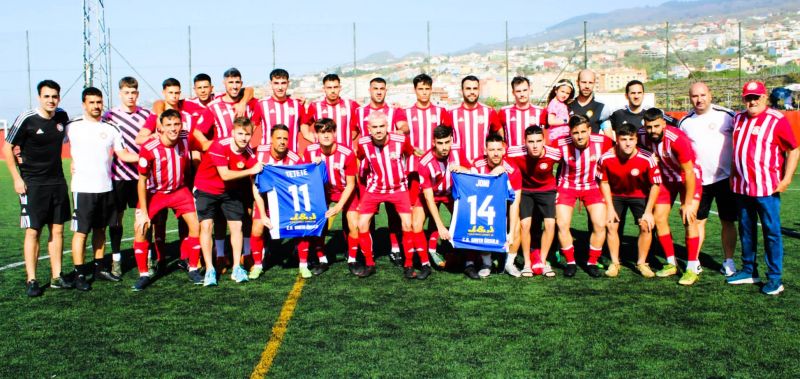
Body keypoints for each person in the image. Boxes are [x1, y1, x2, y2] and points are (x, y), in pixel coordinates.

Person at [727, 81, 799, 295]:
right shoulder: (738, 118)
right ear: (743, 99)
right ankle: (749, 270)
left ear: (765, 97)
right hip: (741, 187)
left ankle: (775, 279)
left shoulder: (776, 119)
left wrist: (786, 179)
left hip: (767, 188)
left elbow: (793, 150)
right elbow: (737, 150)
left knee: (771, 232)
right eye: (749, 97)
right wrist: (732, 175)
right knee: (746, 230)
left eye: (756, 97)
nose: (752, 101)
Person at [66, 87, 139, 291]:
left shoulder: (111, 128)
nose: (96, 106)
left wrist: (145, 158)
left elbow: (123, 154)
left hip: (106, 187)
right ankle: (80, 273)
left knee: (101, 230)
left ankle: (99, 268)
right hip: (83, 188)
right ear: (84, 104)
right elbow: (49, 143)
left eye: (99, 102)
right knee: (81, 232)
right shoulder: (72, 126)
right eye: (92, 102)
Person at [3, 80, 72, 297]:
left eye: (54, 96)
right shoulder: (27, 119)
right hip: (32, 184)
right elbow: (7, 148)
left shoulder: (62, 116)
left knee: (58, 229)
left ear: (59, 97)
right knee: (34, 231)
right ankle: (31, 279)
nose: (51, 100)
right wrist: (16, 178)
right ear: (39, 97)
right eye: (47, 96)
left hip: (57, 182)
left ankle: (56, 276)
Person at [131, 109, 204, 291]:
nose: (173, 129)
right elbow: (141, 181)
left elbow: (204, 145)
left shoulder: (186, 138)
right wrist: (144, 212)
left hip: (179, 191)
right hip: (154, 193)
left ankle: (193, 268)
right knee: (141, 228)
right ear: (160, 128)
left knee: (196, 226)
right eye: (169, 125)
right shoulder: (149, 148)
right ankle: (143, 274)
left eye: (176, 124)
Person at [192, 117, 263, 283]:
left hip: (229, 191)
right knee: (207, 225)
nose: (243, 138)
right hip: (206, 189)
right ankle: (210, 269)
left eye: (247, 134)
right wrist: (251, 170)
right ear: (233, 133)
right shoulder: (219, 145)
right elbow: (225, 174)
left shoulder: (249, 152)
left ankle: (237, 267)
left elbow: (257, 174)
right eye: (240, 133)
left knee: (237, 225)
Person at [678, 82, 738, 276]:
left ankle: (729, 261)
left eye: (703, 95)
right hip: (698, 182)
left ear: (710, 95)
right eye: (695, 96)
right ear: (690, 98)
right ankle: (693, 261)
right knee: (697, 222)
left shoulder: (727, 116)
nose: (699, 99)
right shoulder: (685, 122)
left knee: (727, 221)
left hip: (725, 179)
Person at [638, 108, 703, 286]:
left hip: (687, 177)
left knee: (689, 218)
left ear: (664, 124)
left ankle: (691, 268)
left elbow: (688, 171)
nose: (653, 131)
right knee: (659, 219)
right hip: (666, 179)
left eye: (657, 126)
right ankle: (671, 263)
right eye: (649, 127)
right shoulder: (642, 135)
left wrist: (688, 203)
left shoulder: (677, 139)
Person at [354, 111, 415, 278]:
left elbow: (410, 154)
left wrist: (407, 176)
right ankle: (369, 263)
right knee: (362, 224)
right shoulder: (363, 143)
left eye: (382, 126)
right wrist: (363, 180)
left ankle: (409, 264)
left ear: (387, 126)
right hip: (374, 189)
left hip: (398, 188)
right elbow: (359, 159)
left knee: (408, 225)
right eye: (375, 127)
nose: (379, 130)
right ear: (368, 128)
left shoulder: (400, 140)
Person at [355, 77, 409, 262]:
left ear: (386, 90)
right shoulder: (359, 111)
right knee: (366, 215)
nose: (379, 92)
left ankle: (395, 247)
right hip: (369, 173)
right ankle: (367, 252)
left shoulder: (395, 110)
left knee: (393, 213)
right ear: (369, 90)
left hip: (391, 168)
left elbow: (404, 127)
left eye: (382, 88)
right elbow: (353, 135)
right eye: (375, 88)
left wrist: (398, 133)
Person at [102, 76, 151, 278]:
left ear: (137, 94)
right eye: (126, 93)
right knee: (116, 220)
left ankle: (147, 256)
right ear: (120, 93)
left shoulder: (147, 115)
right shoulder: (109, 116)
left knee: (144, 218)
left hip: (142, 176)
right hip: (119, 176)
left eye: (133, 93)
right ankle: (116, 260)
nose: (130, 96)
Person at [597, 122, 661, 278]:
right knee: (611, 225)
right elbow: (603, 182)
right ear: (617, 139)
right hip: (616, 195)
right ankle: (614, 262)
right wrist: (610, 207)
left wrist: (648, 212)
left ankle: (641, 263)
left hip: (639, 195)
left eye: (631, 139)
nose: (627, 143)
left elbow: (655, 184)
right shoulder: (606, 158)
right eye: (623, 139)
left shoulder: (647, 158)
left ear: (636, 140)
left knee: (646, 226)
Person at [552, 115, 613, 278]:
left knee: (600, 224)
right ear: (569, 133)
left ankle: (592, 262)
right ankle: (571, 262)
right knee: (562, 224)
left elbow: (618, 152)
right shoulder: (560, 143)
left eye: (583, 132)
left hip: (592, 186)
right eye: (575, 132)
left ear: (590, 130)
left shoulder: (603, 142)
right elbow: (544, 158)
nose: (579, 136)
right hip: (567, 186)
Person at [405, 74, 453, 266]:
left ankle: (433, 248)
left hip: (442, 167)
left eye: (427, 89)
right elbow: (399, 138)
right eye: (420, 89)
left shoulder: (441, 112)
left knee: (440, 207)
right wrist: (411, 149)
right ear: (415, 90)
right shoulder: (406, 113)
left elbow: (447, 135)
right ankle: (412, 253)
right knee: (414, 219)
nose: (424, 92)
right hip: (417, 171)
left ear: (431, 89)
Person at [302, 118, 359, 276]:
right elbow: (304, 176)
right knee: (319, 223)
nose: (326, 135)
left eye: (329, 131)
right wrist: (314, 167)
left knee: (354, 224)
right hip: (321, 192)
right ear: (317, 135)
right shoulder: (310, 151)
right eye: (322, 132)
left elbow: (351, 184)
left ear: (334, 133)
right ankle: (322, 259)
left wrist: (339, 206)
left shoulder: (346, 153)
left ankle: (352, 259)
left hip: (345, 190)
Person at [248, 124, 301, 279]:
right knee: (257, 228)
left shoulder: (295, 159)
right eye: (278, 138)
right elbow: (254, 185)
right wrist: (263, 214)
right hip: (263, 199)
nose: (282, 142)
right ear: (271, 139)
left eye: (285, 138)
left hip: (286, 202)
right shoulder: (259, 154)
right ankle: (258, 264)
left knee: (302, 223)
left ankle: (301, 258)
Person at [467, 133, 522, 278]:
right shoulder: (477, 165)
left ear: (504, 150)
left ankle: (509, 263)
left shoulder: (513, 169)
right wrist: (492, 175)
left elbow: (515, 203)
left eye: (499, 149)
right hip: (484, 208)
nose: (496, 153)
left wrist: (511, 230)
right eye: (491, 150)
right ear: (485, 150)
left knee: (518, 225)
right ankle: (487, 262)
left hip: (505, 206)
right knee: (481, 221)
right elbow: (474, 194)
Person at [506, 126, 559, 277]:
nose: (535, 145)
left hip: (547, 190)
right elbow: (499, 157)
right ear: (525, 142)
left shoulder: (554, 154)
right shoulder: (514, 152)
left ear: (544, 141)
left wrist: (560, 187)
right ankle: (527, 264)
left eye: (538, 141)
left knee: (550, 224)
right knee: (525, 225)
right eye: (531, 142)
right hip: (526, 191)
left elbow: (567, 166)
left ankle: (542, 261)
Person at [415, 125, 468, 276]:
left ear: (451, 139)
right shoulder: (425, 163)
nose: (444, 147)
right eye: (440, 143)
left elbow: (471, 170)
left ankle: (466, 256)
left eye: (447, 142)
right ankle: (425, 263)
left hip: (451, 193)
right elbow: (428, 198)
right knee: (416, 225)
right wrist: (440, 226)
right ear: (434, 142)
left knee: (465, 218)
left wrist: (463, 168)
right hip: (431, 194)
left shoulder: (458, 151)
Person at [252, 69, 310, 153]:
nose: (280, 87)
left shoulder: (297, 105)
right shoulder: (261, 104)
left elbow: (306, 133)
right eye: (276, 83)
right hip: (268, 158)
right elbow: (250, 130)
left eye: (283, 83)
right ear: (270, 84)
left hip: (291, 157)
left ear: (288, 83)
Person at [450, 75, 502, 164]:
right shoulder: (451, 112)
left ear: (479, 90)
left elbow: (499, 131)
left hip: (484, 164)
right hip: (459, 165)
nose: (472, 92)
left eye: (475, 88)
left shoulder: (489, 111)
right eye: (468, 88)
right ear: (461, 91)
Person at [304, 73, 360, 146]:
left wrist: (351, 136)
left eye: (335, 87)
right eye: (329, 88)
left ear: (340, 88)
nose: (333, 91)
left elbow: (360, 122)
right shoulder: (315, 106)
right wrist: (308, 136)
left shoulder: (351, 104)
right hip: (323, 152)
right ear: (324, 89)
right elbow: (304, 123)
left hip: (346, 152)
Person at [607, 80, 676, 137]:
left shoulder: (652, 112)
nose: (636, 96)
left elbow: (677, 123)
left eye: (639, 93)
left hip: (648, 153)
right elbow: (601, 124)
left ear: (643, 95)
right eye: (633, 93)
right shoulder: (617, 114)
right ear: (626, 96)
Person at [499, 76, 546, 148]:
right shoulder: (504, 111)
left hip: (533, 157)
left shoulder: (541, 111)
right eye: (518, 91)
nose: (522, 94)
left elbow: (546, 135)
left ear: (530, 90)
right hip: (512, 157)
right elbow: (499, 136)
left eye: (525, 90)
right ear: (513, 92)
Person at [568, 70, 609, 134]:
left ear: (594, 83)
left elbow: (609, 139)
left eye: (590, 83)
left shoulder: (601, 108)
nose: (587, 86)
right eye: (584, 82)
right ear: (577, 82)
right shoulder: (567, 106)